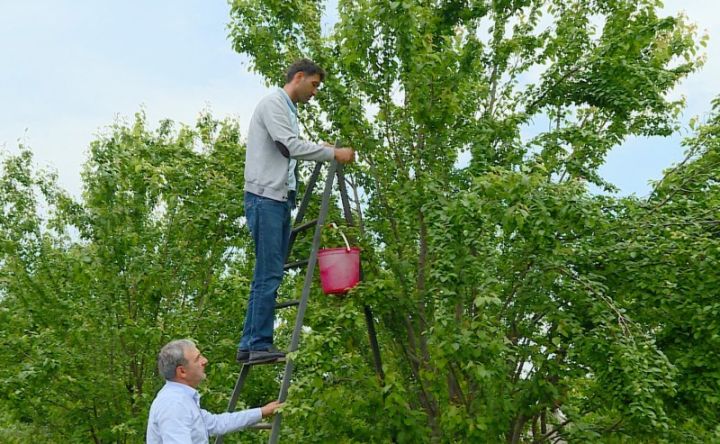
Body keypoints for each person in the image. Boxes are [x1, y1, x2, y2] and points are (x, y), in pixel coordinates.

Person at [238, 59, 354, 364]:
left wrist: (318, 146)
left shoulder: (288, 109)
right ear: (299, 77)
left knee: (268, 272)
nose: (315, 92)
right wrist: (331, 153)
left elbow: (292, 145)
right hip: (265, 198)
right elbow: (288, 146)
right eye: (314, 85)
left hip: (277, 198)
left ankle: (250, 343)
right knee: (269, 273)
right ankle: (258, 343)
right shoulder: (275, 103)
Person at [146, 339, 281, 443]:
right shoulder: (174, 404)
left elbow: (217, 423)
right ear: (182, 371)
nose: (205, 361)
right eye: (198, 358)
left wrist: (262, 412)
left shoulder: (181, 399)